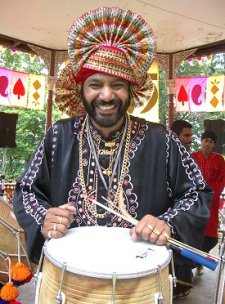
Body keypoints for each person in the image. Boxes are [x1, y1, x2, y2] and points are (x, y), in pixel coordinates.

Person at [13, 7, 212, 300]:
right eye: (95, 84)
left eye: (117, 84)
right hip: (69, 281)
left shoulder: (163, 140)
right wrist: (45, 216)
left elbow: (197, 192)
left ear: (131, 90)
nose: (106, 95)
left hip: (141, 283)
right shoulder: (59, 134)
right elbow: (27, 189)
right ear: (81, 89)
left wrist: (167, 222)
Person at [191, 130, 225, 275]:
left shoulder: (219, 160)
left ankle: (200, 262)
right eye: (206, 140)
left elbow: (222, 179)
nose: (208, 143)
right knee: (192, 231)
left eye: (211, 141)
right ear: (201, 141)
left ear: (214, 144)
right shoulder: (192, 157)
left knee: (209, 236)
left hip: (211, 201)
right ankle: (191, 263)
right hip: (193, 200)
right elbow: (187, 177)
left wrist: (211, 193)